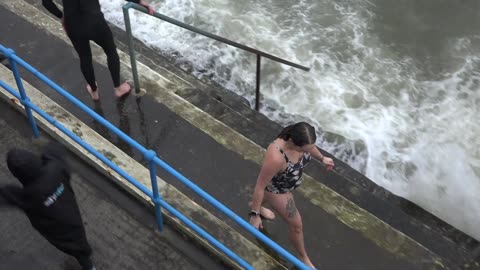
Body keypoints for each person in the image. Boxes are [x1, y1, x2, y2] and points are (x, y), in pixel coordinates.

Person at [248, 122, 335, 269]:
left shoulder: (298, 137)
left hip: (287, 183)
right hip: (277, 190)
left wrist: (322, 158)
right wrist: (254, 215)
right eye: (305, 150)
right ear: (294, 144)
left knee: (264, 202)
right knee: (297, 225)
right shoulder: (276, 157)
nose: (309, 151)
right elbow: (260, 186)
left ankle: (256, 205)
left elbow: (310, 146)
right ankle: (302, 258)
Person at [0, 143, 95, 270]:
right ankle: (88, 263)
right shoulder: (55, 168)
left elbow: (6, 195)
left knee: (74, 248)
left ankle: (88, 265)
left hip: (55, 231)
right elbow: (55, 149)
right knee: (79, 244)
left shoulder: (26, 196)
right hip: (72, 216)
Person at [41, 0, 155, 100]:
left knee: (84, 57)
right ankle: (118, 88)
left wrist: (62, 17)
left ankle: (94, 92)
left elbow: (46, 2)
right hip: (96, 23)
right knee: (111, 51)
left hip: (74, 26)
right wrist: (139, 1)